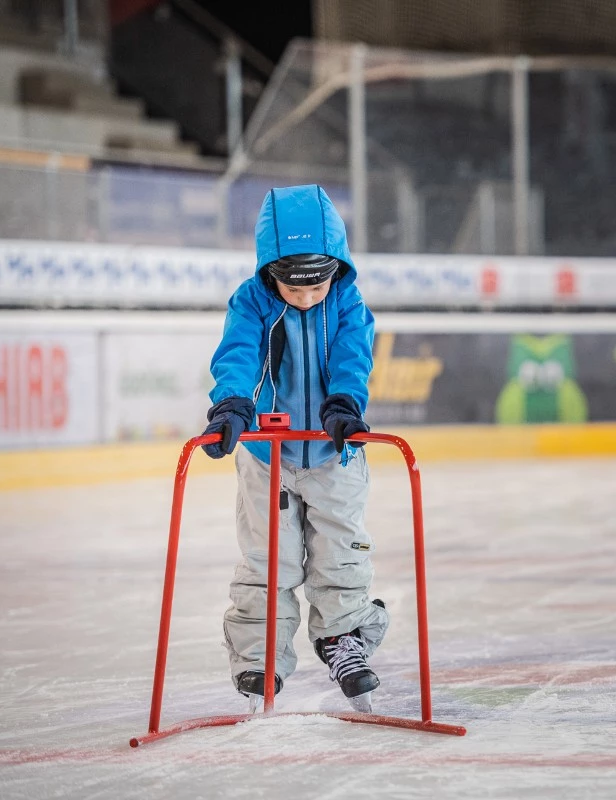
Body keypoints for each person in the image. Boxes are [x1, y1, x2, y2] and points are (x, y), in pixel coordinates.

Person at [200, 184, 390, 711]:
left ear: (337, 266)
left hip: (334, 452)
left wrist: (344, 407)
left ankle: (342, 641)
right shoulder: (252, 301)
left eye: (317, 286)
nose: (307, 297)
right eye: (294, 288)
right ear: (271, 271)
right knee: (268, 560)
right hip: (267, 456)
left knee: (341, 553)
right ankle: (260, 656)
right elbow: (237, 355)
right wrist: (233, 407)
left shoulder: (348, 301)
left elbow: (354, 357)